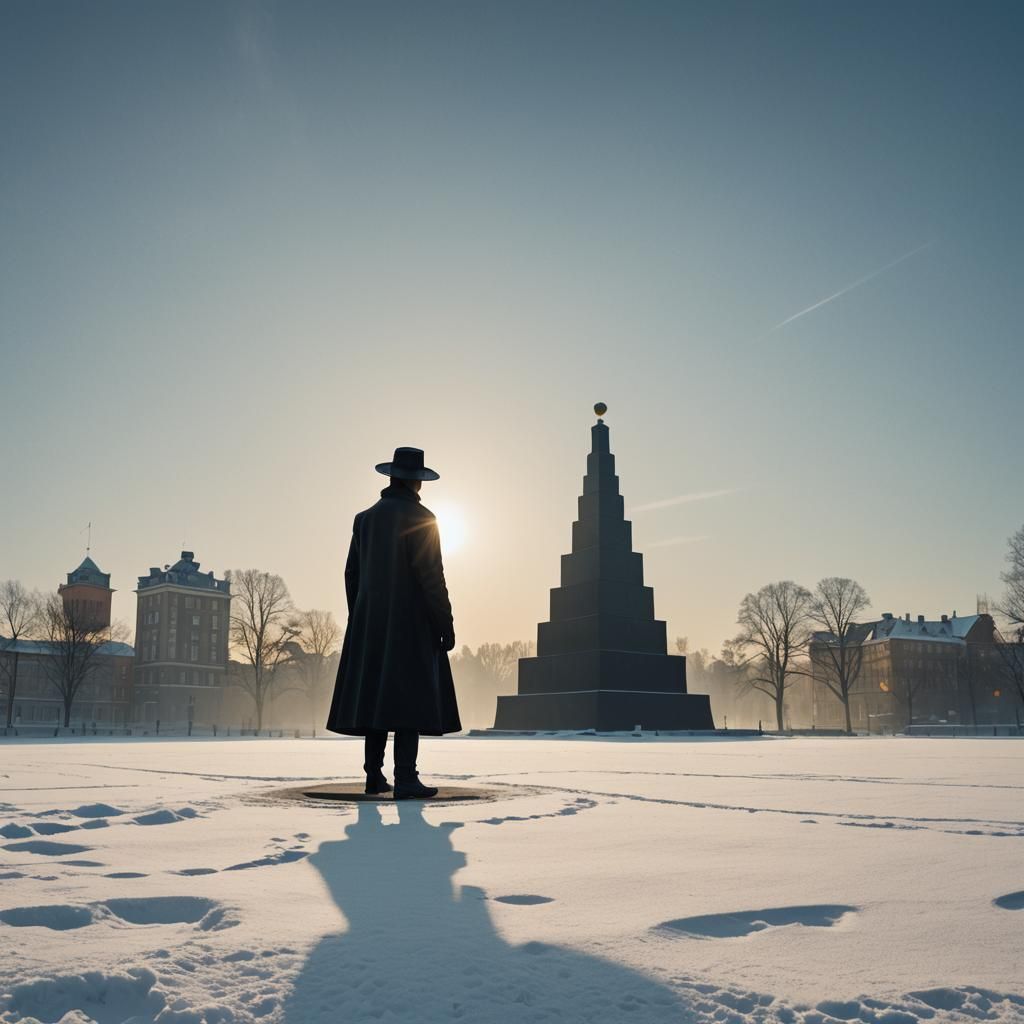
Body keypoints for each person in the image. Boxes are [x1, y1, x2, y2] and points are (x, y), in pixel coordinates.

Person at [326, 447, 462, 799]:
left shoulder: (364, 519)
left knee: (375, 698)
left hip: (369, 625)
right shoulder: (423, 518)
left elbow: (351, 573)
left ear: (391, 477)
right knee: (408, 699)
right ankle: (406, 778)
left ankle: (373, 776)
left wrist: (360, 616)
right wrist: (444, 623)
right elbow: (431, 576)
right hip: (410, 624)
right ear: (417, 482)